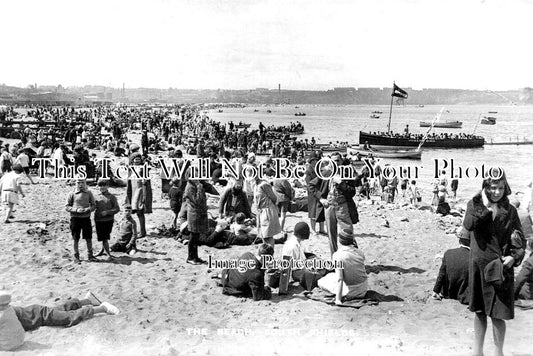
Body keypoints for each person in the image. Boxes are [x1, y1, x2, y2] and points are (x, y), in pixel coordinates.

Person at [463, 171, 525, 356]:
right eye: (492, 188)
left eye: (500, 188)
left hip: (501, 267)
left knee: (499, 314)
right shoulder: (474, 205)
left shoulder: (511, 211)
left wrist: (514, 257)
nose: (497, 192)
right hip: (479, 266)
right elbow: (468, 224)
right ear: (485, 188)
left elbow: (520, 240)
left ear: (505, 187)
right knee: (480, 311)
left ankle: (499, 352)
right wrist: (485, 207)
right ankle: (477, 352)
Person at [0, 291, 119, 351]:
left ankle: (102, 308)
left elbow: (16, 335)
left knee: (69, 318)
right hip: (37, 312)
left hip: (40, 316)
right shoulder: (5, 309)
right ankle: (87, 300)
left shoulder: (5, 314)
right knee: (60, 310)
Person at [318, 228, 368, 305]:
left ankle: (340, 295)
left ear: (340, 240)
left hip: (350, 291)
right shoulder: (360, 252)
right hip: (363, 288)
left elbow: (340, 279)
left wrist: (338, 299)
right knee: (331, 275)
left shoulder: (338, 255)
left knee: (321, 282)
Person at [323, 154, 359, 256]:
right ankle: (334, 259)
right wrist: (321, 199)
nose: (336, 163)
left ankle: (353, 257)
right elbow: (312, 185)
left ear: (342, 161)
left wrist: (341, 183)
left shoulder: (347, 173)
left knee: (348, 232)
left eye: (338, 161)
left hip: (342, 206)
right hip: (329, 205)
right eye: (333, 161)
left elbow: (352, 192)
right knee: (331, 234)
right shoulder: (326, 173)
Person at [282, 221, 329, 291]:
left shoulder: (297, 242)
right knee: (318, 276)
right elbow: (294, 267)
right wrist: (311, 267)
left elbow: (304, 255)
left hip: (302, 266)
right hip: (296, 272)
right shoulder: (292, 246)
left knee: (324, 267)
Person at [183, 178, 220, 264]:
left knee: (196, 236)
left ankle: (195, 256)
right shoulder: (190, 187)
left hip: (198, 213)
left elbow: (209, 190)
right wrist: (199, 188)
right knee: (193, 236)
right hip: (194, 214)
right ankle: (191, 257)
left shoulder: (195, 185)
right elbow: (197, 200)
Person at [432, 230, 470, 305]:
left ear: (459, 241)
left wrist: (436, 291)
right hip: (465, 295)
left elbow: (441, 274)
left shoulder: (448, 253)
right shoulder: (473, 257)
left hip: (448, 293)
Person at [65, 178, 96, 263]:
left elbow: (93, 205)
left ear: (85, 183)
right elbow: (67, 207)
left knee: (88, 237)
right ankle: (76, 256)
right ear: (75, 183)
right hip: (75, 219)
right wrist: (76, 210)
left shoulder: (89, 193)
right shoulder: (72, 194)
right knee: (75, 238)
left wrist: (88, 209)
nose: (80, 184)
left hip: (86, 218)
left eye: (82, 182)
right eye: (78, 182)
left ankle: (90, 255)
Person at [94, 179, 120, 259]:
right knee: (102, 237)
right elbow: (92, 206)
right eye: (100, 186)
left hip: (108, 220)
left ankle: (108, 254)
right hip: (98, 220)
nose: (102, 187)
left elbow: (117, 209)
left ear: (108, 186)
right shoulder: (96, 196)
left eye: (104, 185)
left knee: (105, 237)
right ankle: (103, 250)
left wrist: (108, 212)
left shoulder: (112, 197)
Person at [253, 172, 281, 247]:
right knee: (263, 235)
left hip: (267, 211)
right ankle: (266, 253)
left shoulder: (264, 184)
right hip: (260, 212)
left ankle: (270, 254)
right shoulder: (255, 185)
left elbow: (274, 198)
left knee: (268, 236)